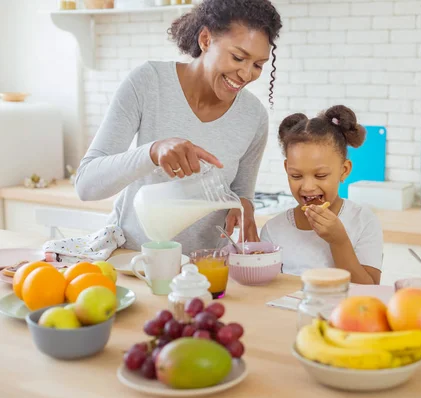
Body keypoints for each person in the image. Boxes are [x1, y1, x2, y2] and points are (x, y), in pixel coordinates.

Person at [74, 0, 282, 254]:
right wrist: (152, 152)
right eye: (238, 57)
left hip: (207, 271)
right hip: (135, 262)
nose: (247, 74)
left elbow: (240, 193)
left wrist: (245, 207)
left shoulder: (254, 116)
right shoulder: (149, 83)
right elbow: (86, 185)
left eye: (258, 65)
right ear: (205, 39)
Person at [260, 105, 383, 284]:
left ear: (344, 170)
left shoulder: (363, 221)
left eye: (320, 176)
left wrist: (339, 241)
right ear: (286, 169)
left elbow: (369, 289)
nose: (308, 187)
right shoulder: (273, 230)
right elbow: (268, 291)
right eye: (296, 176)